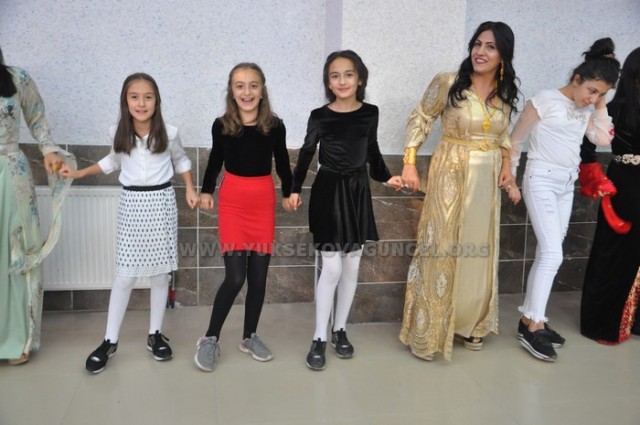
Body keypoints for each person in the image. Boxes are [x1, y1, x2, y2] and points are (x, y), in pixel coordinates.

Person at [59, 73, 198, 373]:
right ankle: (109, 340)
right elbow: (112, 161)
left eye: (148, 97)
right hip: (131, 205)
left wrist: (189, 187)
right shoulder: (118, 133)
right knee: (125, 276)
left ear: (157, 101)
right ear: (125, 100)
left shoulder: (169, 133)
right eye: (134, 97)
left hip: (161, 203)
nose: (141, 103)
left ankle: (155, 334)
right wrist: (80, 173)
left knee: (160, 275)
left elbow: (181, 160)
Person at [399, 21, 520, 362]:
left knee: (479, 251)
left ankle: (471, 323)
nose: (481, 52)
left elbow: (503, 134)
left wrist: (507, 167)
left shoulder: (504, 92)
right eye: (477, 44)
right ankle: (430, 328)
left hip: (487, 178)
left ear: (503, 55)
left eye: (490, 47)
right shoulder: (448, 82)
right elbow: (420, 117)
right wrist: (409, 162)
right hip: (450, 170)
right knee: (442, 244)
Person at [288, 50, 403, 371]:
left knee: (352, 265)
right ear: (328, 82)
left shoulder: (370, 113)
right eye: (335, 75)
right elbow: (307, 153)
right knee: (332, 268)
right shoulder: (319, 116)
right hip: (327, 191)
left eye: (348, 74)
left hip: (357, 191)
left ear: (360, 78)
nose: (342, 81)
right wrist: (294, 189)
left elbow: (372, 150)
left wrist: (386, 176)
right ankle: (319, 337)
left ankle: (339, 329)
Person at [509, 38, 620, 361]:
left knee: (548, 253)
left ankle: (531, 321)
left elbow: (603, 138)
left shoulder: (587, 109)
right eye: (591, 90)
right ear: (576, 78)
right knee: (552, 254)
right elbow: (515, 141)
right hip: (540, 179)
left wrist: (599, 105)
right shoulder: (545, 100)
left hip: (566, 184)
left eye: (601, 94)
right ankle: (533, 326)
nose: (592, 98)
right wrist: (511, 179)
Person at [193, 63, 293, 372]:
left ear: (262, 90)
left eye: (253, 85)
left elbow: (283, 162)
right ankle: (210, 338)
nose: (246, 91)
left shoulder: (275, 126)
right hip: (233, 203)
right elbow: (215, 160)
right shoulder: (222, 125)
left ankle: (249, 337)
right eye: (240, 85)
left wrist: (289, 191)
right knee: (236, 277)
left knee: (259, 278)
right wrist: (206, 190)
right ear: (231, 91)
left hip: (262, 202)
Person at [0, 47, 75, 365]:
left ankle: (19, 338)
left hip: (11, 170)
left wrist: (48, 149)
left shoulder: (17, 78)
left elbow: (37, 117)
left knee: (18, 247)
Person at [579, 47, 640, 344]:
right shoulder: (613, 108)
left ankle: (634, 319)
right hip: (624, 185)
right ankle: (603, 322)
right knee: (614, 250)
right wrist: (594, 176)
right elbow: (586, 145)